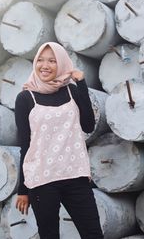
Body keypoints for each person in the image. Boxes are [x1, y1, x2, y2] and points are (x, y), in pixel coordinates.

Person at [14, 41, 103, 239]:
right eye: (41, 60)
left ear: (61, 63)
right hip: (41, 180)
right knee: (49, 235)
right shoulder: (25, 98)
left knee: (93, 234)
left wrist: (81, 84)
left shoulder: (72, 91)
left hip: (75, 175)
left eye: (52, 61)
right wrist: (23, 190)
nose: (45, 66)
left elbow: (88, 125)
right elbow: (25, 146)